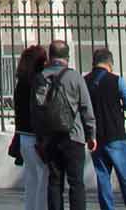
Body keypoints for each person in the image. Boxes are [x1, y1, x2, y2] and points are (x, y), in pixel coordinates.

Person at [32, 39, 97, 210]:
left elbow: (36, 112)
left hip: (50, 138)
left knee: (54, 182)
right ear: (67, 57)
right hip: (74, 136)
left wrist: (40, 139)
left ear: (50, 56)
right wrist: (91, 135)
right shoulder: (75, 77)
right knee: (76, 182)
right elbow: (86, 108)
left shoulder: (40, 78)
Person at [84, 46, 126, 210]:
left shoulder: (85, 81)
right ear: (110, 64)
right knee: (125, 177)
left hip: (95, 137)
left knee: (103, 177)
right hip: (115, 134)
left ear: (94, 63)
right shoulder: (117, 80)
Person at [13, 43, 50, 210]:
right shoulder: (38, 82)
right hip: (36, 137)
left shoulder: (21, 83)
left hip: (23, 136)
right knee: (44, 179)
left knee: (31, 179)